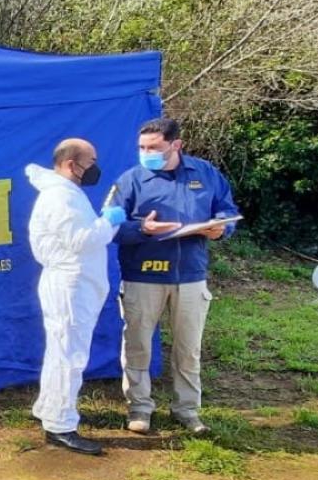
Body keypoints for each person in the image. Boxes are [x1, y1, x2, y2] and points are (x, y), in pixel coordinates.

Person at [111, 117, 240, 435]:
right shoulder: (131, 180)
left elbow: (226, 209)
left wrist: (221, 228)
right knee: (137, 346)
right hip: (142, 276)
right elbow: (110, 226)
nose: (146, 153)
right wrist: (142, 228)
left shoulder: (205, 173)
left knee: (188, 349)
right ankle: (139, 408)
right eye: (142, 147)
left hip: (190, 276)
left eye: (153, 148)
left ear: (176, 145)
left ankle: (187, 410)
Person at [27, 138, 127, 456]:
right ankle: (60, 426)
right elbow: (82, 240)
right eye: (91, 161)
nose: (95, 167)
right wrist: (108, 222)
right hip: (70, 286)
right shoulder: (61, 197)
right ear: (72, 164)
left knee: (61, 350)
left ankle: (49, 408)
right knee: (70, 355)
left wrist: (104, 223)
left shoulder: (66, 193)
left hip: (73, 283)